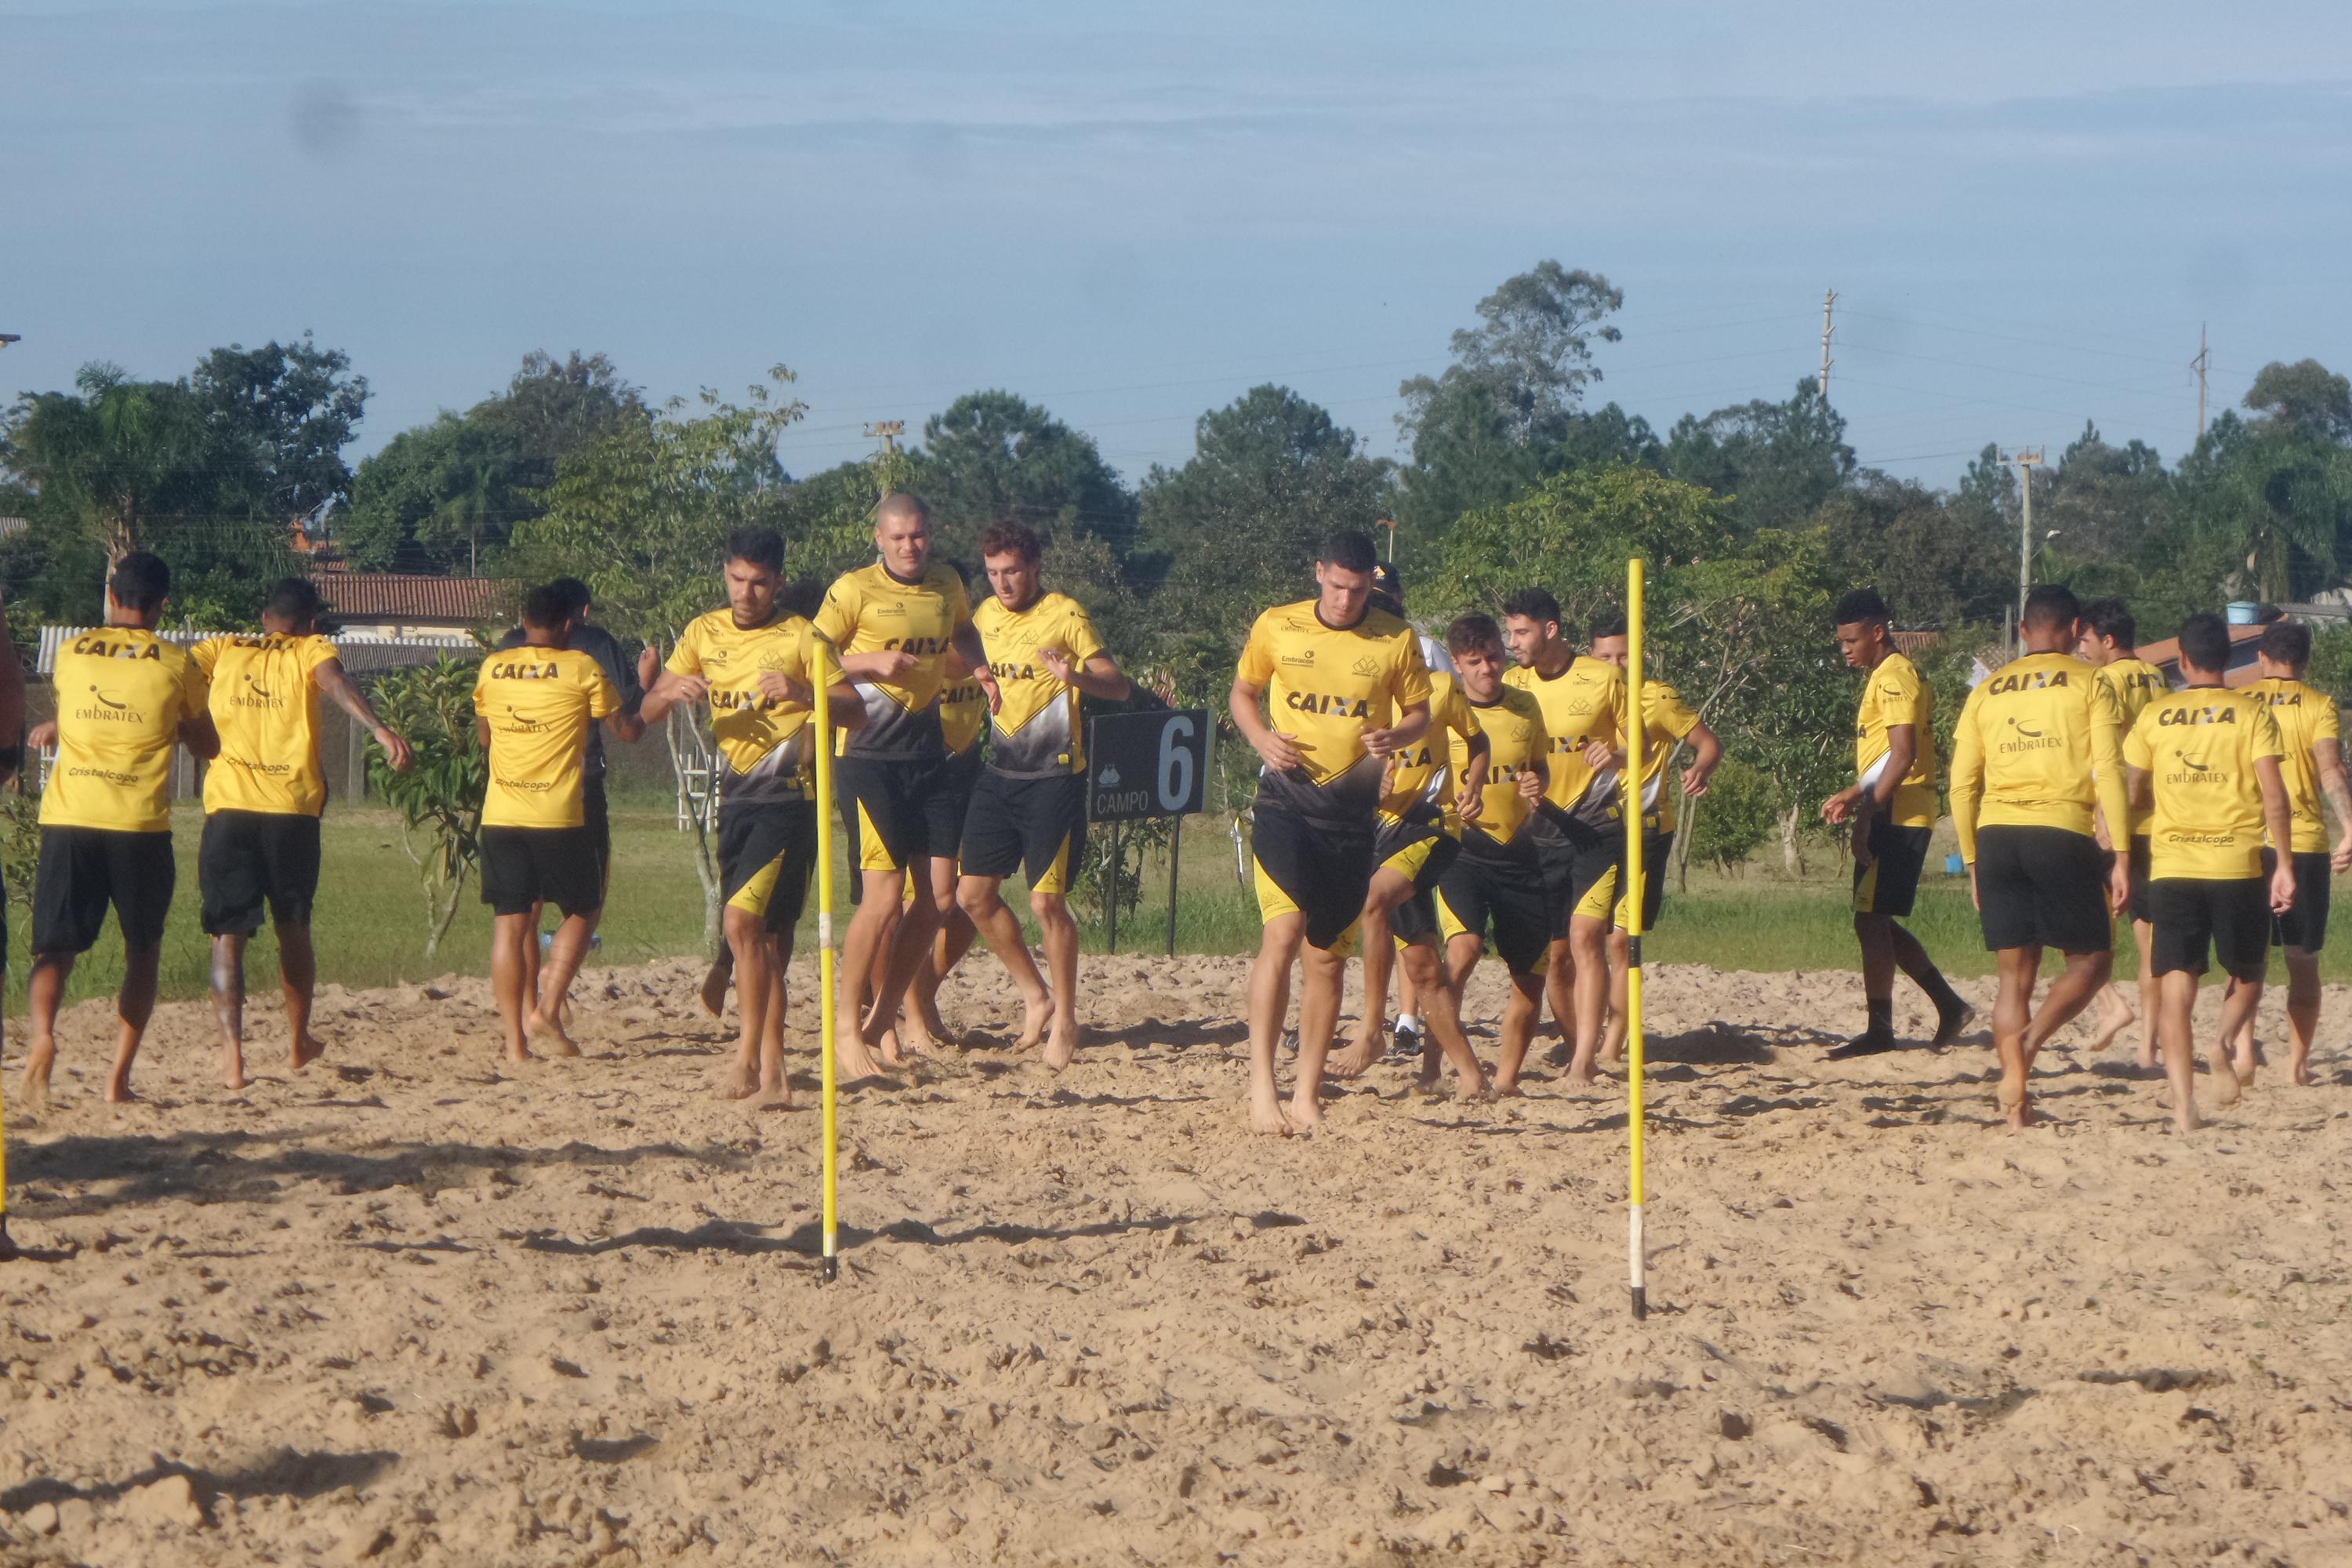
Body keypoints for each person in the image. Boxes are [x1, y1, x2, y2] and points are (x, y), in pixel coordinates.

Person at [640, 529, 861, 1104]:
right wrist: (671, 692)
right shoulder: (701, 631)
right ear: (725, 574)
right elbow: (647, 708)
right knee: (762, 942)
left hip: (790, 801)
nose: (747, 591)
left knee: (743, 927)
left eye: (759, 581)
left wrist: (803, 690)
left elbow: (855, 712)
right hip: (735, 797)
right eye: (737, 578)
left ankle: (752, 1062)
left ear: (779, 582)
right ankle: (775, 1072)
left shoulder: (802, 636)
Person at [1231, 530, 1432, 1133]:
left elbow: (1420, 712)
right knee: (1283, 933)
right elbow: (1244, 692)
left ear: (1373, 582)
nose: (1346, 599)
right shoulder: (1278, 625)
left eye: (1359, 588)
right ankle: (1262, 1088)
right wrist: (1261, 737)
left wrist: (1396, 736)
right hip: (1286, 804)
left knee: (1326, 961)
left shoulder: (1395, 639)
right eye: (1337, 586)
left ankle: (1306, 1094)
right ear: (1319, 573)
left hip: (1351, 817)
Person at [192, 578, 416, 1090]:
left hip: (227, 808)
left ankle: (233, 1060)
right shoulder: (311, 649)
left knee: (227, 936)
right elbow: (335, 682)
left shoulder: (222, 648)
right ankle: (297, 1043)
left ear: (265, 616)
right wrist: (380, 730)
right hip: (291, 810)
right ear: (311, 621)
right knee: (292, 927)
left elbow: (173, 678)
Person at [20, 552, 220, 1108]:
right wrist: (172, 729)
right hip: (137, 825)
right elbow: (207, 745)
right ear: (161, 605)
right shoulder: (178, 663)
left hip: (68, 818)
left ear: (111, 596)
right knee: (143, 949)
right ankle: (118, 1080)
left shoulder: (71, 652)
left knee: (53, 950)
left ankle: (42, 1036)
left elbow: (81, 716)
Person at [815, 492, 998, 1083]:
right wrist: (868, 662)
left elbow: (965, 632)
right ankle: (847, 1026)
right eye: (898, 538)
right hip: (869, 754)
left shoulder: (948, 584)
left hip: (928, 749)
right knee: (883, 897)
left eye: (918, 535)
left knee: (942, 896)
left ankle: (883, 1016)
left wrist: (979, 667)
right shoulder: (853, 590)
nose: (910, 546)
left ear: (930, 533)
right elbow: (807, 658)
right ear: (879, 538)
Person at [1947, 585, 2132, 1127]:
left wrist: (1972, 860)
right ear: (2076, 629)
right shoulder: (2092, 682)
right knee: (2092, 960)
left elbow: (1961, 784)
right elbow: (2110, 773)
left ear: (2023, 632)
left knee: (2014, 977)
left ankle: (2017, 1105)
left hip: (1998, 834)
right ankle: (2025, 1048)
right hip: (2061, 831)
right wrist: (2120, 853)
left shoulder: (1987, 690)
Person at [954, 521, 1131, 1069]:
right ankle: (1037, 996)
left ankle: (1068, 1021)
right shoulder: (984, 615)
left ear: (1033, 567)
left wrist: (1074, 675)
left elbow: (1118, 685)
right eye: (993, 574)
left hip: (1054, 778)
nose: (1003, 583)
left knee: (1045, 903)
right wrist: (974, 672)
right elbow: (962, 643)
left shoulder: (1064, 613)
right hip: (999, 773)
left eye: (1011, 572)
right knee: (973, 897)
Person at [2122, 612, 2296, 1132]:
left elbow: (2131, 792)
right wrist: (2284, 862)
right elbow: (2274, 797)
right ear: (2227, 659)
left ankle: (2183, 1107)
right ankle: (2222, 1042)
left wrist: (2122, 844)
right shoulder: (2251, 713)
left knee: (2176, 982)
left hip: (2172, 863)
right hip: (2236, 862)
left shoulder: (2155, 716)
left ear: (2181, 660)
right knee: (2250, 972)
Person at [474, 583, 647, 1062]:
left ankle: (515, 1047)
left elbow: (485, 738)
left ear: (523, 618)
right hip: (558, 815)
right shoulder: (581, 668)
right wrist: (651, 693)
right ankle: (548, 1003)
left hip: (501, 815)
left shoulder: (493, 668)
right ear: (570, 623)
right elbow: (627, 730)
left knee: (509, 927)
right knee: (584, 908)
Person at [1330, 559, 1486, 1077]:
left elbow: (1477, 741)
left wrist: (1473, 784)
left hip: (1434, 825)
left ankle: (1373, 1028)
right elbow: (1342, 768)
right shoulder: (1355, 695)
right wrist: (1369, 781)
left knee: (1372, 901)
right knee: (1423, 966)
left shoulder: (1438, 688)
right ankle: (1469, 1075)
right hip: (1383, 830)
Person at [1818, 589, 1973, 1058]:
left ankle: (1891, 1025)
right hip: (1893, 806)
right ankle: (1942, 1006)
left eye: (1851, 639)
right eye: (1841, 641)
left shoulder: (1893, 677)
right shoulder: (1889, 674)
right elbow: (1888, 758)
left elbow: (1903, 756)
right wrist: (1855, 792)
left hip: (1899, 814)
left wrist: (1868, 814)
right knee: (1873, 921)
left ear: (1877, 632)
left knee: (1871, 920)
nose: (1845, 649)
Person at [1501, 589, 1626, 1086]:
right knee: (1555, 955)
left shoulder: (1602, 678)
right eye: (1509, 632)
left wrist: (1615, 756)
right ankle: (1579, 1046)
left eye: (1521, 632)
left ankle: (1584, 1064)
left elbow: (1639, 741)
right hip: (1538, 833)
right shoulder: (1510, 683)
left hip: (1596, 827)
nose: (1512, 643)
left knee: (1586, 938)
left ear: (1550, 630)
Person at [1585, 612, 1722, 1065]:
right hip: (1588, 825)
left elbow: (1708, 743)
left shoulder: (1658, 698)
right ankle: (1583, 1033)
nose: (1616, 663)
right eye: (1606, 656)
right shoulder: (1580, 694)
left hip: (1644, 828)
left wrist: (1700, 768)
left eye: (1624, 654)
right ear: (1591, 656)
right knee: (1580, 936)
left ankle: (1614, 1041)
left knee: (1622, 941)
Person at [1435, 614, 1555, 1094]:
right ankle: (1434, 1067)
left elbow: (1541, 768)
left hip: (1519, 850)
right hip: (1461, 849)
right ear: (1458, 666)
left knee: (1530, 975)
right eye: (1475, 661)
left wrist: (1536, 783)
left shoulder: (1526, 706)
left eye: (1492, 656)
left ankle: (1505, 1082)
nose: (1487, 668)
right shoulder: (1444, 708)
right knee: (1460, 955)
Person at [2229, 621, 2352, 1086]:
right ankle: (2297, 1066)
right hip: (2302, 845)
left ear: (2261, 657)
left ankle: (2243, 1053)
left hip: (2246, 842)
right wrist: (2350, 828)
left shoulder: (2238, 705)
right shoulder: (2318, 706)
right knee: (2302, 961)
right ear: (2304, 660)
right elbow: (2331, 770)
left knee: (2247, 957)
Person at [903, 561, 992, 1054]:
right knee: (917, 901)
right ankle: (909, 1013)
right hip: (920, 770)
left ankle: (923, 994)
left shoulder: (983, 644)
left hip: (968, 770)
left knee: (970, 901)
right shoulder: (919, 649)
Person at [2074, 599, 2168, 1062]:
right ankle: (2149, 1050)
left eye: (2086, 641)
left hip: (2117, 819)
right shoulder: (2157, 676)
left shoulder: (2104, 680)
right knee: (2149, 942)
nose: (2083, 649)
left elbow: (2107, 758)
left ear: (2107, 640)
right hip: (2157, 820)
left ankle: (2110, 1004)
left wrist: (2102, 817)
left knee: (2071, 923)